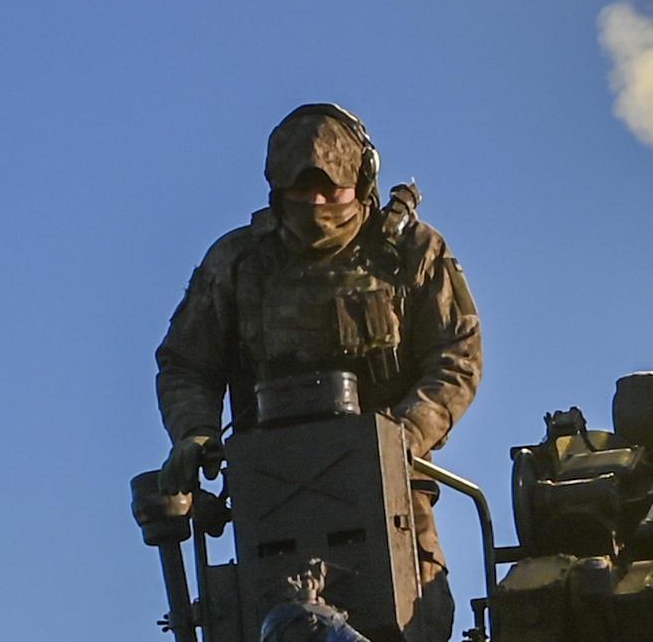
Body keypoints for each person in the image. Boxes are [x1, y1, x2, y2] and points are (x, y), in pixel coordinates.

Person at [152, 99, 482, 480]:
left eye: (330, 188)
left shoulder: (412, 251)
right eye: (301, 188)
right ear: (277, 187)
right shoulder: (237, 261)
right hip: (272, 493)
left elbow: (458, 356)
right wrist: (195, 433)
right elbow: (186, 363)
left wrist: (405, 435)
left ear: (361, 181)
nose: (315, 202)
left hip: (396, 493)